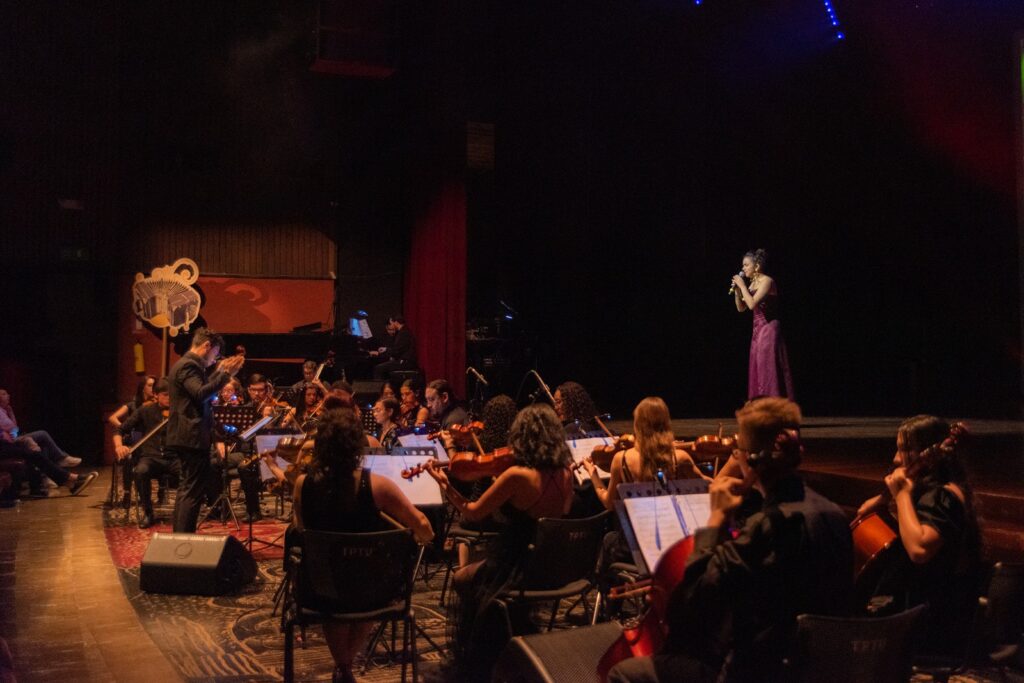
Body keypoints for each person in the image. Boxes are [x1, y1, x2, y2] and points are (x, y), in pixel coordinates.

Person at [608, 397, 852, 683]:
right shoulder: (834, 515)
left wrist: (715, 519)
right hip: (818, 670)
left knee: (623, 673)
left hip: (761, 673)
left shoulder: (765, 529)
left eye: (737, 451)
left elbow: (690, 604)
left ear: (749, 460)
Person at [424, 403, 576, 677]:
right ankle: (513, 637)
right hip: (552, 564)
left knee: (462, 579)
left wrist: (445, 486)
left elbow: (472, 512)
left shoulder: (518, 475)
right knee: (488, 588)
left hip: (517, 561)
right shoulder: (566, 473)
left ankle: (482, 658)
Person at [292, 408, 433, 683]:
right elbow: (424, 529)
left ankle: (342, 666)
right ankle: (345, 665)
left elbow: (302, 530)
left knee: (335, 577)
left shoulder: (302, 484)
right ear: (358, 446)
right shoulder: (379, 485)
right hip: (372, 588)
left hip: (320, 587)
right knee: (367, 576)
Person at [855, 416, 981, 656]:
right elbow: (870, 518)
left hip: (934, 623)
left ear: (928, 454)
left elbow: (919, 550)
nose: (895, 458)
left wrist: (901, 494)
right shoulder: (926, 493)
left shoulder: (944, 496)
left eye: (905, 450)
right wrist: (885, 497)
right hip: (916, 612)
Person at [167, 328, 244, 533]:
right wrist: (225, 375)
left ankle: (181, 537)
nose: (214, 359)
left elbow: (200, 393)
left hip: (188, 435)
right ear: (207, 346)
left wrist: (219, 374)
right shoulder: (189, 366)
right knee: (191, 492)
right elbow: (201, 394)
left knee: (188, 490)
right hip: (190, 435)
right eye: (215, 354)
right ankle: (183, 539)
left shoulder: (187, 365)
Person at [113, 379, 179, 528]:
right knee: (141, 471)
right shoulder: (145, 411)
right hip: (151, 457)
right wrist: (119, 446)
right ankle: (148, 513)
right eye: (165, 395)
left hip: (173, 457)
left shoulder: (179, 411)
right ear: (155, 395)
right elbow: (120, 430)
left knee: (190, 472)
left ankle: (183, 513)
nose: (169, 398)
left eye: (172, 395)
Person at [731, 249, 795, 400]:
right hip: (757, 331)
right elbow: (741, 308)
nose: (743, 268)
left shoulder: (768, 281)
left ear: (757, 266)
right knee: (758, 369)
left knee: (769, 369)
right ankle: (761, 408)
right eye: (743, 265)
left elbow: (752, 304)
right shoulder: (752, 284)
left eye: (746, 265)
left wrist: (742, 286)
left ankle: (776, 407)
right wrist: (737, 291)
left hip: (769, 330)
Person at [0, 388, 81, 468]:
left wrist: (11, 413)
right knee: (42, 434)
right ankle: (61, 458)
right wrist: (15, 435)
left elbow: (14, 428)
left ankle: (46, 475)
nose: (8, 395)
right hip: (7, 444)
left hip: (13, 438)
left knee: (43, 444)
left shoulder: (5, 411)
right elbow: (12, 428)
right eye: (4, 394)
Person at [371, 315, 417, 380]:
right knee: (383, 367)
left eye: (391, 322)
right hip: (403, 361)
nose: (391, 324)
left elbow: (396, 351)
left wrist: (382, 352)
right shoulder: (404, 331)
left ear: (396, 322)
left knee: (378, 369)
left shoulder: (403, 333)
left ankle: (383, 388)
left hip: (405, 362)